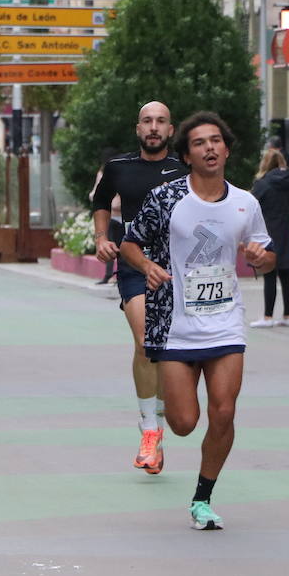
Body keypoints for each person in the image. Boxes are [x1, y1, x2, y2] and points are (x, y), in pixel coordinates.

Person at [120, 112, 274, 529]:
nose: (209, 148)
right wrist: (148, 266)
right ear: (187, 155)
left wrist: (261, 258)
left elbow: (268, 252)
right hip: (175, 324)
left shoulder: (246, 202)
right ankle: (161, 417)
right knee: (186, 423)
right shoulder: (167, 198)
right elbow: (129, 244)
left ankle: (203, 497)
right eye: (200, 143)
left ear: (226, 149)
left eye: (216, 141)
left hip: (225, 322)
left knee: (223, 413)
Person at [92, 101, 189, 474]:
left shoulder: (185, 170)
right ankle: (149, 427)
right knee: (146, 340)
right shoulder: (119, 167)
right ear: (138, 129)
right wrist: (102, 237)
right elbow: (101, 202)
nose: (153, 127)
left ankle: (157, 424)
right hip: (134, 262)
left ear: (170, 129)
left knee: (164, 348)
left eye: (160, 121)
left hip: (177, 268)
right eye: (147, 121)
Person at [249, 146, 289, 328]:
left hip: (268, 232)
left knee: (269, 274)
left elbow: (251, 206)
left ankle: (268, 317)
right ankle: (287, 316)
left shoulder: (263, 184)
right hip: (288, 231)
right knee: (286, 275)